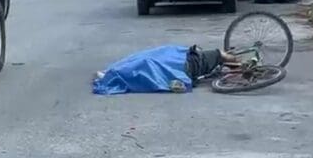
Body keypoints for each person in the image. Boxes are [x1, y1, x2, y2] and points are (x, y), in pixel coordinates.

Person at [92, 45, 239, 95]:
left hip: (182, 63)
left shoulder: (210, 57)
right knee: (145, 59)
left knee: (145, 61)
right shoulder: (206, 59)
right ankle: (113, 71)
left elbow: (221, 54)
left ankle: (114, 72)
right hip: (180, 60)